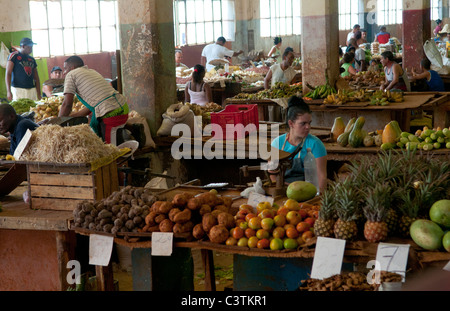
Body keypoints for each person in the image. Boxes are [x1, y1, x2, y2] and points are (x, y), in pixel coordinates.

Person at [59, 56, 129, 145]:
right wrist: (71, 117)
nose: (64, 73)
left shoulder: (71, 74)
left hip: (111, 113)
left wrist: (57, 124)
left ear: (72, 68)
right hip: (121, 107)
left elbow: (67, 104)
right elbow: (93, 106)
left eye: (65, 69)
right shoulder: (91, 72)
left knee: (111, 150)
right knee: (115, 144)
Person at [270, 96, 327, 192]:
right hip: (283, 190)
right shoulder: (277, 143)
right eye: (303, 123)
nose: (308, 127)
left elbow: (322, 177)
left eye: (309, 123)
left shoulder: (315, 144)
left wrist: (318, 197)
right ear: (291, 123)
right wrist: (286, 189)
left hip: (308, 191)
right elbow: (272, 175)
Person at [5, 37, 41, 102]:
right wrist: (8, 91)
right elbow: (8, 73)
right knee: (19, 110)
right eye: (29, 47)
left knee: (32, 110)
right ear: (23, 46)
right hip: (18, 89)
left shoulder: (32, 59)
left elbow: (36, 78)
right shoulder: (14, 56)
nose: (31, 49)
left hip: (31, 89)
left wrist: (39, 93)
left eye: (32, 47)